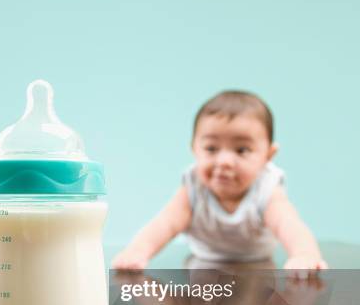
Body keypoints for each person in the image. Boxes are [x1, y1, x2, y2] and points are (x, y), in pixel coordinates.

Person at [112, 90, 327, 273]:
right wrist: (137, 251)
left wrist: (304, 254)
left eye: (242, 150)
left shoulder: (267, 188)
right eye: (211, 149)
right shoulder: (193, 186)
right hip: (202, 269)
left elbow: (289, 225)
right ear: (194, 149)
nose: (224, 161)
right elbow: (165, 224)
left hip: (258, 270)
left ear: (268, 156)